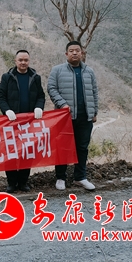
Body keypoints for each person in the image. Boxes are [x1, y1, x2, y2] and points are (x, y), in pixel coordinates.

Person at [47, 41, 98, 191]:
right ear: (66, 54)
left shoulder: (89, 71)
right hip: (64, 117)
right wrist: (62, 104)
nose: (74, 53)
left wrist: (94, 111)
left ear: (82, 53)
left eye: (77, 50)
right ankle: (60, 177)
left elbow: (94, 92)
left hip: (85, 116)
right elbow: (51, 88)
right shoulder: (57, 70)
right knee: (62, 147)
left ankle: (80, 177)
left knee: (82, 147)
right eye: (71, 51)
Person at [0, 50, 45, 193]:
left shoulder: (35, 77)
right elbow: (1, 96)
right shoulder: (7, 77)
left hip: (29, 123)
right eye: (20, 60)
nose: (23, 62)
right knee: (10, 151)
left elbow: (41, 96)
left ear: (29, 61)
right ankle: (11, 182)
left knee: (27, 152)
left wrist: (38, 107)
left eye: (26, 60)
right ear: (15, 61)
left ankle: (23, 182)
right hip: (11, 122)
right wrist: (7, 110)